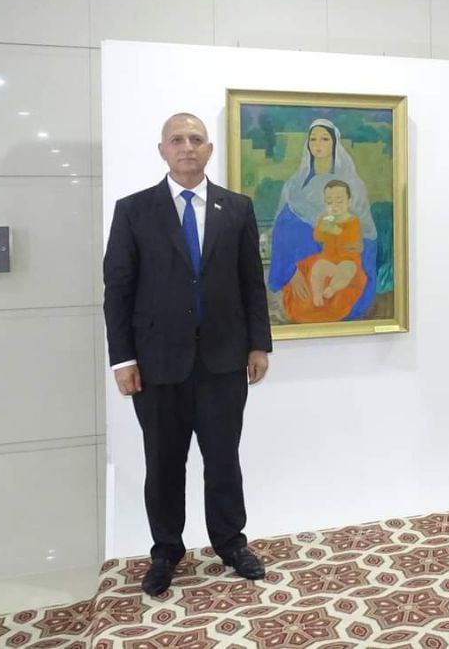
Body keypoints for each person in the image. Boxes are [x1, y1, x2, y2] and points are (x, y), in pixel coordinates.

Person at [103, 112, 273, 595]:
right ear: (163, 150)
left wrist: (258, 344)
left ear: (209, 150)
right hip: (157, 364)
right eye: (177, 139)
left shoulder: (236, 208)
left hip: (223, 359)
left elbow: (251, 282)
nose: (187, 147)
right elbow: (117, 288)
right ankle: (166, 552)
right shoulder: (134, 210)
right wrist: (123, 359)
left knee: (223, 459)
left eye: (196, 139)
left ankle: (231, 543)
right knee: (163, 463)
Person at [268, 119, 379, 324]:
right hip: (302, 265)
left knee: (340, 298)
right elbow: (281, 231)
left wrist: (360, 245)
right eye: (313, 139)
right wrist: (291, 270)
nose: (318, 144)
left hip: (344, 261)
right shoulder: (294, 186)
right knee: (301, 306)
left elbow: (367, 231)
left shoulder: (353, 184)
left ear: (335, 143)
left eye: (325, 139)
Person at [304, 180, 366, 313]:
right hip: (328, 258)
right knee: (318, 267)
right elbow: (317, 236)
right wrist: (322, 229)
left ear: (349, 201)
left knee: (346, 270)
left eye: (339, 201)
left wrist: (336, 230)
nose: (334, 206)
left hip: (348, 259)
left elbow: (351, 239)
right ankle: (317, 293)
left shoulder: (353, 220)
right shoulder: (324, 219)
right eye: (329, 202)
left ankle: (332, 288)